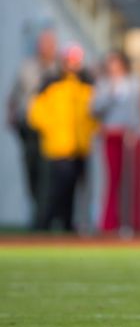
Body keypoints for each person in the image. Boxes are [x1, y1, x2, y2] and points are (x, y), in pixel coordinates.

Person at [27, 45, 97, 232]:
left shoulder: (86, 84)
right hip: (56, 147)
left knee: (72, 192)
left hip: (79, 148)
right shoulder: (50, 82)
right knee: (52, 192)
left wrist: (88, 133)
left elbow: (93, 114)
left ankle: (67, 226)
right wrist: (53, 130)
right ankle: (43, 226)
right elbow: (36, 114)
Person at [7, 29, 60, 228]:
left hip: (51, 129)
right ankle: (37, 212)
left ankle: (45, 217)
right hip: (28, 127)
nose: (47, 48)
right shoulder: (27, 67)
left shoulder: (59, 68)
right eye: (44, 44)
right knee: (32, 170)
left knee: (50, 174)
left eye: (51, 44)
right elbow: (14, 95)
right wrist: (11, 116)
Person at [91, 51, 140, 232]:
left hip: (126, 136)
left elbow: (136, 109)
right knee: (111, 178)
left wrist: (134, 129)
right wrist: (110, 94)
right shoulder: (104, 84)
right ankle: (108, 221)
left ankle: (127, 221)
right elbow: (94, 109)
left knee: (128, 179)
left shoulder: (134, 83)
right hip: (110, 135)